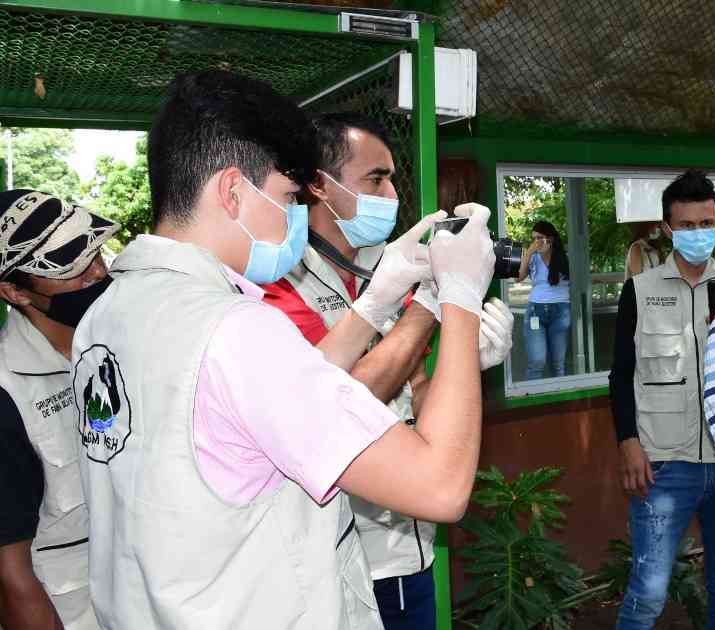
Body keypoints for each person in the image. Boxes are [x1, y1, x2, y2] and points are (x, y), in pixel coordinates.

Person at [70, 70, 496, 630]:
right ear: (232, 191)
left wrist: (375, 301)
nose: (296, 216)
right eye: (290, 197)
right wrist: (458, 298)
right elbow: (439, 487)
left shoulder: (107, 316)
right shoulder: (235, 330)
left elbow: (272, 406)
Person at [260, 112, 512, 630]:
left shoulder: (391, 264)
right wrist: (432, 303)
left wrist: (467, 364)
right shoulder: (281, 281)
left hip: (411, 545)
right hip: (341, 556)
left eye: (393, 178)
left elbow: (417, 397)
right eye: (376, 179)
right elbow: (325, 409)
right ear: (318, 185)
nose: (392, 194)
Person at [609, 169, 715, 629]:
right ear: (668, 229)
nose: (698, 233)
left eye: (707, 223)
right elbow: (621, 374)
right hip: (664, 465)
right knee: (648, 591)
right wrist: (628, 442)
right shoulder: (640, 291)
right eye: (687, 225)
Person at [0, 190, 114, 630]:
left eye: (95, 254)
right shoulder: (8, 392)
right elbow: (10, 574)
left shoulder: (123, 337)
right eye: (71, 267)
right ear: (15, 290)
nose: (97, 273)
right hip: (76, 609)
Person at [515, 220, 570, 379]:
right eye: (534, 238)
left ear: (550, 239)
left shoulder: (564, 257)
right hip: (535, 311)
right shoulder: (533, 257)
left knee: (558, 363)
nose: (536, 242)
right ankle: (532, 394)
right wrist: (529, 253)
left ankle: (559, 394)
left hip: (560, 311)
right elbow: (518, 277)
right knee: (537, 361)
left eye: (539, 238)